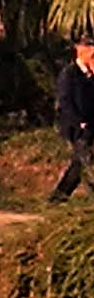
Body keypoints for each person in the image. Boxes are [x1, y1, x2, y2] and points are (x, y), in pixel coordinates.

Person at [58, 38, 94, 202]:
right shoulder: (69, 74)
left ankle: (58, 198)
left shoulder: (90, 74)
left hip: (90, 125)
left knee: (78, 167)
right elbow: (65, 102)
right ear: (82, 52)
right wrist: (79, 122)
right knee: (88, 163)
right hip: (77, 129)